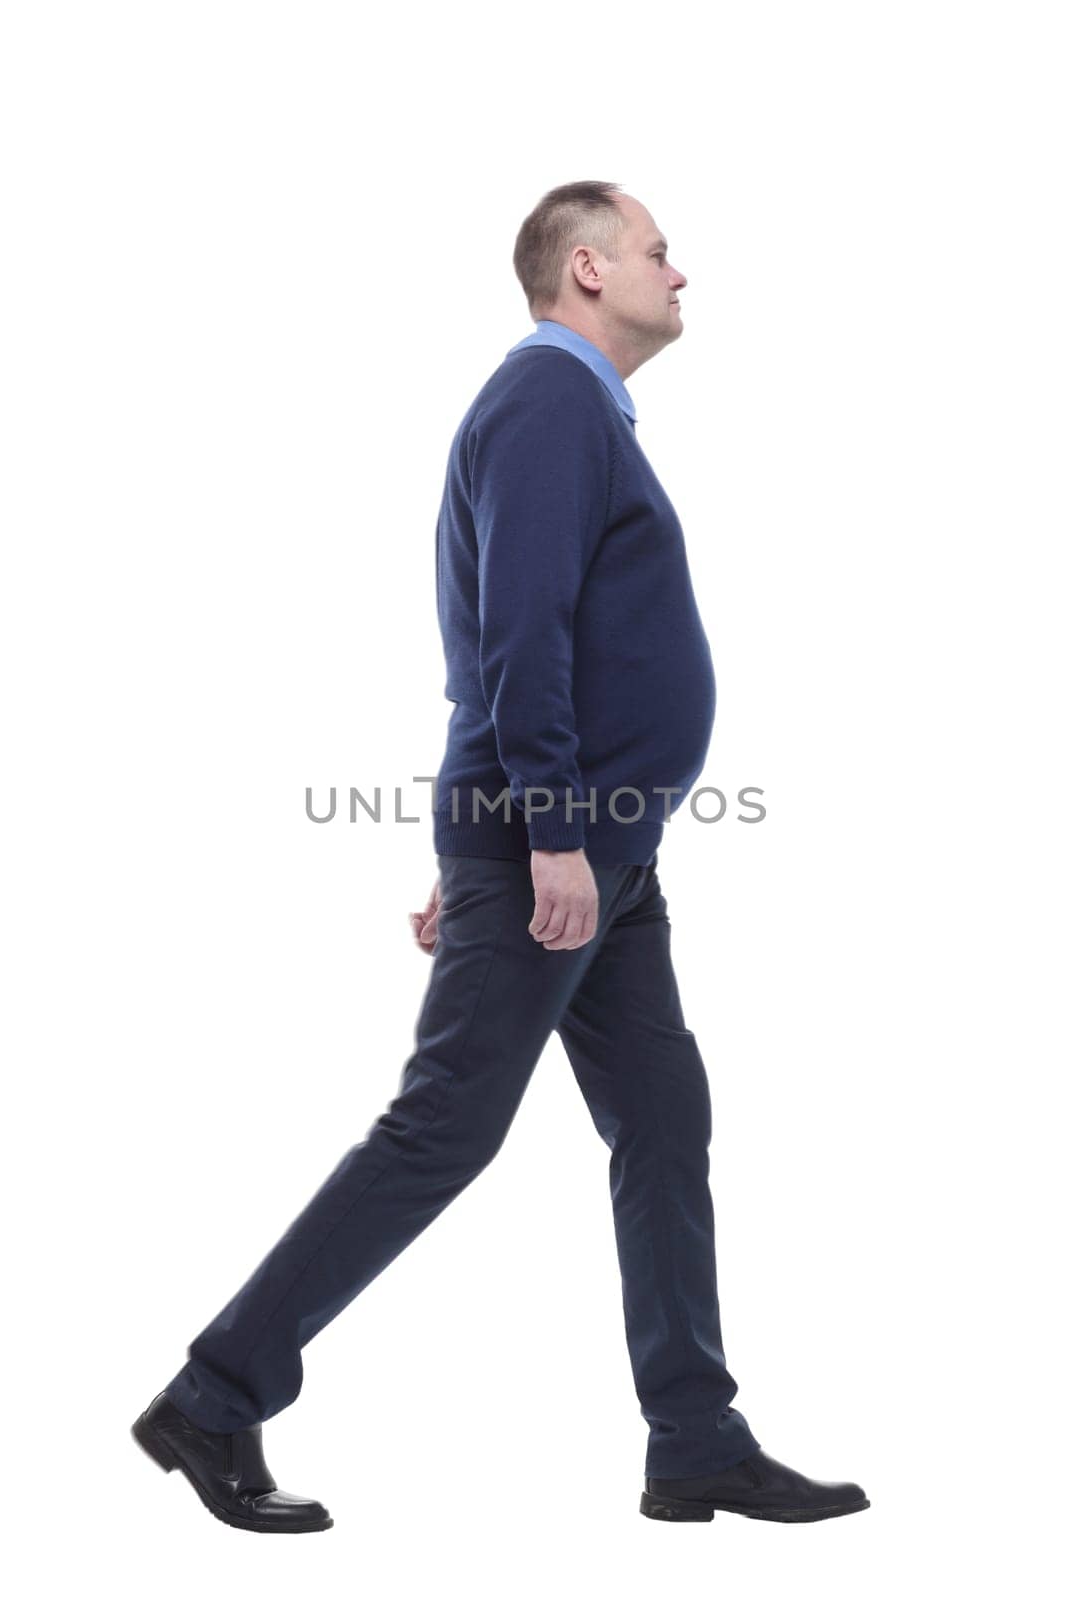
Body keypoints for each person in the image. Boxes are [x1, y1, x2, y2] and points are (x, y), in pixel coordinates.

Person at [131, 180, 869, 1533]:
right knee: (445, 1128)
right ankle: (217, 1393)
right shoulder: (549, 401)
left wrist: (503, 831)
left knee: (662, 1122)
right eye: (658, 250)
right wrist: (536, 835)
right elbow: (519, 634)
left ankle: (694, 1437)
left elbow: (497, 651)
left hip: (595, 852)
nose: (679, 273)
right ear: (586, 270)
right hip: (569, 846)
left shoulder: (572, 412)